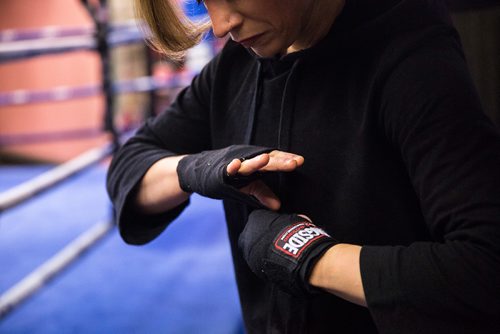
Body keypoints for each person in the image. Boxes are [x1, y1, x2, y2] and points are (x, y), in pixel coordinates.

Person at [106, 0, 500, 332]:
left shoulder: (410, 61)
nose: (222, 24)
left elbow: (485, 268)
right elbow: (128, 168)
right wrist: (195, 170)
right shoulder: (238, 65)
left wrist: (309, 257)